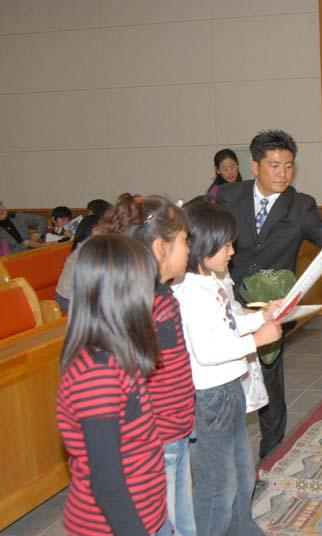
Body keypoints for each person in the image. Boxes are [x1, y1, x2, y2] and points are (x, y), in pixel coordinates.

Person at [216, 129, 322, 460]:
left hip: (271, 306)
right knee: (226, 377)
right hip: (228, 301)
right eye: (274, 165)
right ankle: (225, 450)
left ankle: (271, 453)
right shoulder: (228, 196)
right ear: (255, 166)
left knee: (270, 378)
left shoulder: (299, 205)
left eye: (288, 166)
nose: (282, 174)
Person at [172, 196, 282, 536]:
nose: (232, 251)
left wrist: (262, 316)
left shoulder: (211, 281)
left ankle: (242, 529)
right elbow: (209, 350)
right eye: (226, 245)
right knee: (218, 487)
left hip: (229, 389)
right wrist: (257, 340)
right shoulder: (190, 292)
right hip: (209, 398)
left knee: (242, 474)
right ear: (202, 245)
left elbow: (229, 323)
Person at [98, 194, 197, 536]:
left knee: (183, 521)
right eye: (184, 240)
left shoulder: (161, 297)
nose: (189, 250)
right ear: (160, 248)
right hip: (158, 440)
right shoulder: (146, 306)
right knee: (161, 524)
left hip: (176, 430)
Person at [56, 234, 166, 535]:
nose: (152, 298)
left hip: (147, 515)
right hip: (113, 527)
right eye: (147, 288)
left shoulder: (117, 356)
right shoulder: (96, 375)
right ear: (121, 295)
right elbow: (107, 481)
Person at [54, 214, 101, 310]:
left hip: (79, 295)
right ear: (87, 231)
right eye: (97, 230)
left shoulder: (92, 247)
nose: (103, 233)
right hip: (68, 298)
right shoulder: (86, 250)